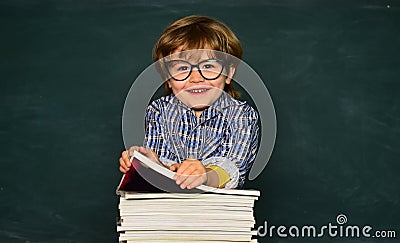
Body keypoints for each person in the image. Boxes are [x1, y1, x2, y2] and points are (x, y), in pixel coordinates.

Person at [119, 15, 259, 189]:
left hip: (216, 210)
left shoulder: (241, 115)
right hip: (168, 209)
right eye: (183, 68)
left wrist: (206, 175)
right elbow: (166, 176)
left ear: (229, 73)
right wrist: (150, 165)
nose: (195, 78)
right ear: (168, 79)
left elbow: (233, 167)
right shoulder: (158, 111)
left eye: (208, 66)